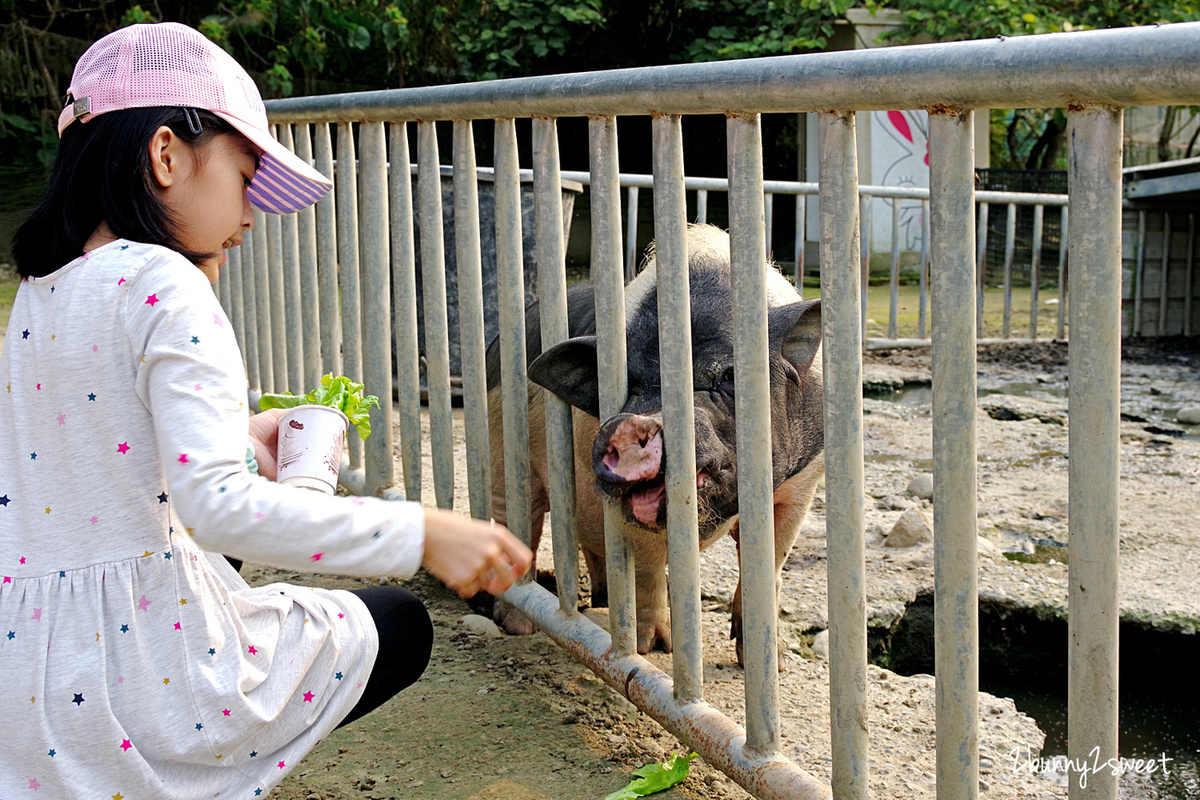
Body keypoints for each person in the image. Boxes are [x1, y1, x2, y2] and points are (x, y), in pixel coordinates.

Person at [0, 21, 532, 798]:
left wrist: (242, 444)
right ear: (166, 154)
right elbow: (215, 508)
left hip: (29, 673)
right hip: (142, 684)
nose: (252, 215)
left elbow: (88, 464)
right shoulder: (165, 282)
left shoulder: (37, 297)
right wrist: (423, 533)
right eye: (245, 175)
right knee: (399, 625)